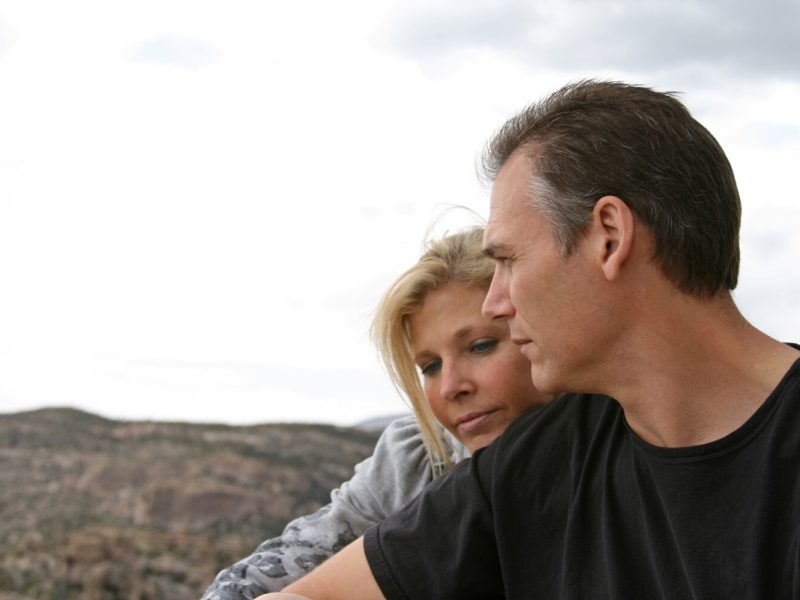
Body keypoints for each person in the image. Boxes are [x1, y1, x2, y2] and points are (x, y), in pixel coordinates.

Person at [259, 80, 800, 599]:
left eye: (508, 260)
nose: (495, 302)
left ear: (609, 238)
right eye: (429, 365)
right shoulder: (537, 459)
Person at [201, 226, 551, 598]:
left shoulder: (595, 451)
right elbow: (286, 561)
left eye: (480, 346)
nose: (450, 386)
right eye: (430, 367)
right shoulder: (418, 461)